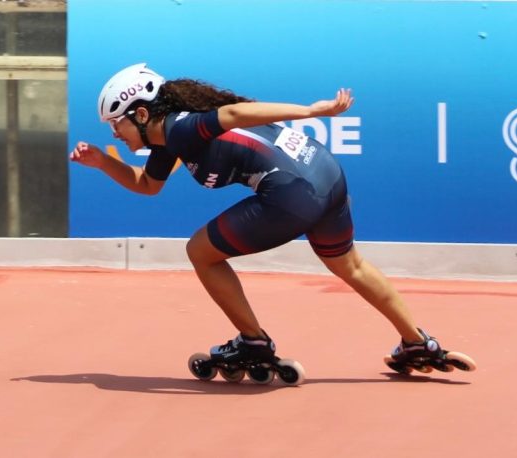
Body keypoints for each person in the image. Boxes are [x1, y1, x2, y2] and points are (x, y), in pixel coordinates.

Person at [70, 63, 475, 379]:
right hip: (326, 174)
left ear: (141, 113)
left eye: (116, 123)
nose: (115, 133)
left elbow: (234, 113)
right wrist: (103, 162)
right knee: (349, 265)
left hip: (294, 194)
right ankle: (417, 342)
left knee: (200, 251)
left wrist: (313, 110)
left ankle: (253, 342)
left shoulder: (183, 127)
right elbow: (147, 185)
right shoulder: (168, 140)